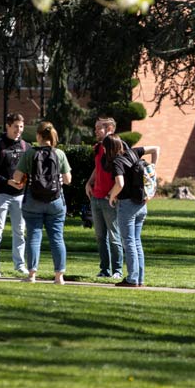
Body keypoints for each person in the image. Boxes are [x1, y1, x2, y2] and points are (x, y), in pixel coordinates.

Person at [13, 121, 72, 285]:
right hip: (56, 201)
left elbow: (17, 177)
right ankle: (59, 276)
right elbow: (68, 180)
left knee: (33, 237)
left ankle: (31, 275)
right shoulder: (59, 154)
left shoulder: (30, 153)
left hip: (33, 200)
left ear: (38, 136)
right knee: (57, 238)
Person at [103, 135, 160, 288]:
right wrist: (153, 170)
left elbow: (119, 183)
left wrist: (111, 196)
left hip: (127, 205)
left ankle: (132, 279)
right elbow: (156, 149)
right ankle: (139, 278)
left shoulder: (117, 162)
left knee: (128, 242)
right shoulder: (133, 152)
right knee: (136, 242)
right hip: (141, 203)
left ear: (108, 149)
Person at [0, 112, 29, 278]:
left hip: (20, 196)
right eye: (16, 126)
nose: (19, 130)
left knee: (20, 232)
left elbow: (29, 171)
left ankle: (20, 265)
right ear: (8, 126)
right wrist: (6, 181)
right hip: (1, 195)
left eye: (21, 127)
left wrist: (26, 181)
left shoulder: (26, 147)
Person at [84, 117, 124, 279]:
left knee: (114, 236)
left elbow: (122, 173)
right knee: (100, 237)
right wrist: (89, 183)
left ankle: (117, 270)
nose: (95, 131)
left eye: (98, 128)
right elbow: (97, 167)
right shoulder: (99, 148)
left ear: (109, 130)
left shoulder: (117, 148)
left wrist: (112, 194)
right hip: (96, 197)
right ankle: (104, 270)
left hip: (110, 199)